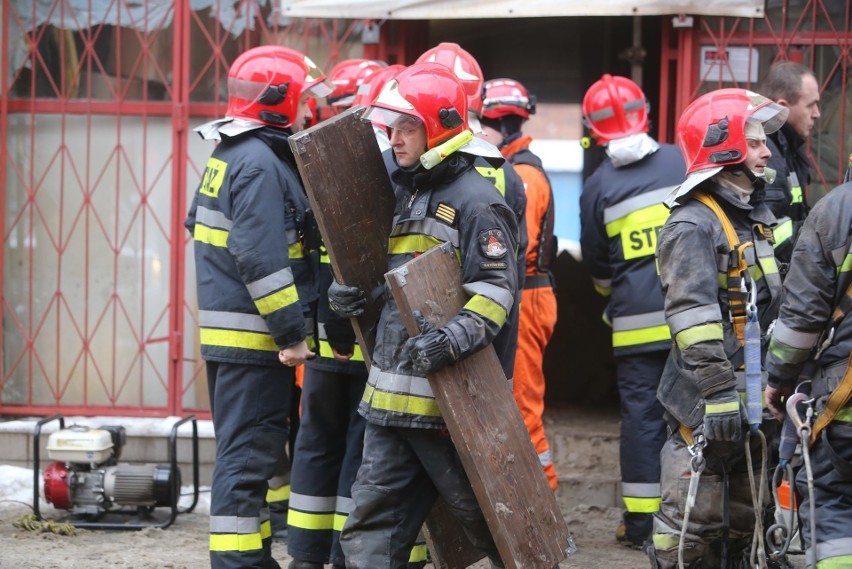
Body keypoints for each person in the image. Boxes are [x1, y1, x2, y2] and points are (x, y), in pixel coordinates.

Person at [330, 62, 518, 569]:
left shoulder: (478, 202)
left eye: (407, 126)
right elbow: (396, 284)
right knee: (371, 527)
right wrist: (351, 295)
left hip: (448, 410)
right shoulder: (406, 190)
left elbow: (496, 296)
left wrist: (449, 340)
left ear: (439, 125)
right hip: (390, 400)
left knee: (492, 522)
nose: (395, 139)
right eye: (392, 127)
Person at [185, 45, 331, 569]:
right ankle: (239, 563)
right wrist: (292, 333)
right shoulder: (261, 164)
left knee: (251, 457)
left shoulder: (230, 153)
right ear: (280, 102)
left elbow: (197, 227)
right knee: (247, 462)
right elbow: (260, 259)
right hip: (257, 342)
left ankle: (251, 558)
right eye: (303, 100)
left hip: (236, 340)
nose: (309, 111)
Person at [286, 57, 427, 569]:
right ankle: (347, 556)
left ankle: (305, 555)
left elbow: (305, 253)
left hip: (328, 331)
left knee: (316, 440)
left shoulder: (315, 165)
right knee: (358, 446)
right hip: (366, 336)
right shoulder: (394, 174)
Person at [649, 88, 788, 569]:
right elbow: (692, 318)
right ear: (723, 148)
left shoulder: (752, 218)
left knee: (750, 522)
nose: (766, 151)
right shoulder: (692, 224)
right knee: (693, 525)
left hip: (752, 398)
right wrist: (719, 393)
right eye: (753, 143)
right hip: (705, 403)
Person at [578, 74, 686, 548]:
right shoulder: (681, 160)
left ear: (594, 129)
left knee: (642, 420)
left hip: (633, 330)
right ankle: (692, 518)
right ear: (645, 110)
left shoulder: (598, 186)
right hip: (692, 319)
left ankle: (642, 527)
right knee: (694, 416)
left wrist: (613, 297)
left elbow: (598, 268)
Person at [764, 179, 852, 568]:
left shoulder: (837, 211)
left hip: (844, 403)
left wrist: (780, 379)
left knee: (833, 498)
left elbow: (801, 320)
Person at [480, 77, 559, 490]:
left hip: (526, 296)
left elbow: (513, 251)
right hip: (523, 294)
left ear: (501, 123)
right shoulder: (515, 168)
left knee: (522, 400)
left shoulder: (523, 174)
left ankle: (539, 496)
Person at [758, 61, 821, 262]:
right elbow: (764, 233)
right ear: (782, 108)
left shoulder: (788, 146)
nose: (817, 113)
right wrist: (823, 238)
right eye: (811, 105)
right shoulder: (766, 153)